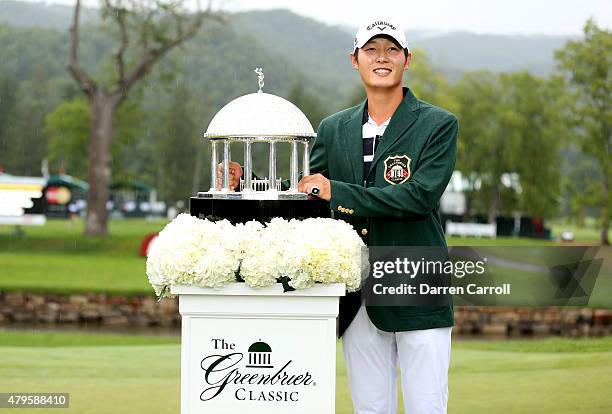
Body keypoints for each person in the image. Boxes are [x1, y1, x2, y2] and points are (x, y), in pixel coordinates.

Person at [221, 17, 457, 413]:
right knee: (370, 407)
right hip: (355, 289)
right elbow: (311, 200)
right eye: (371, 50)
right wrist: (251, 182)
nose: (382, 58)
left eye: (391, 50)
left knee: (427, 406)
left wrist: (338, 192)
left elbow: (418, 197)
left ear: (406, 59)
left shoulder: (437, 124)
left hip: (416, 282)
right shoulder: (333, 128)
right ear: (355, 59)